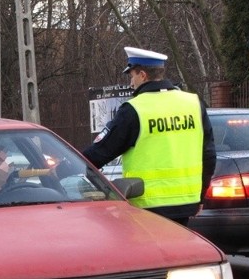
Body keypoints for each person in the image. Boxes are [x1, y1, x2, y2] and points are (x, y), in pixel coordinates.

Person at [83, 47, 216, 226]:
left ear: (143, 75)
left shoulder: (134, 109)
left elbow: (99, 153)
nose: (131, 83)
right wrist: (200, 196)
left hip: (147, 205)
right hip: (186, 202)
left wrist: (70, 167)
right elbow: (208, 154)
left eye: (132, 76)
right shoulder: (193, 103)